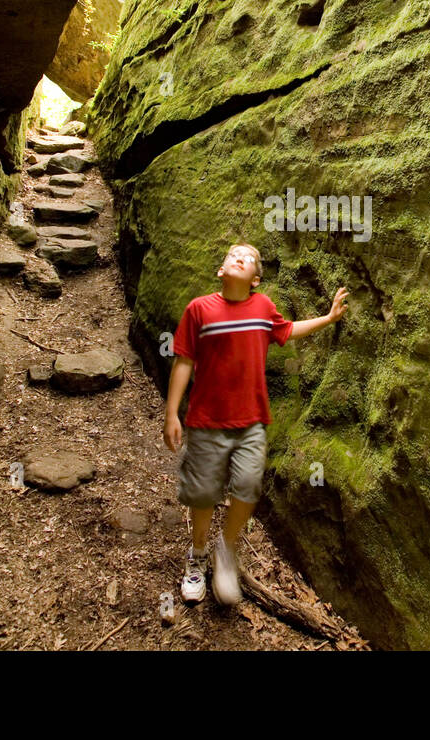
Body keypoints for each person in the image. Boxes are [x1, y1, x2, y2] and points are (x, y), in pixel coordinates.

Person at [162, 243, 349, 605]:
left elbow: (287, 330)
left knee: (247, 486)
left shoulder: (263, 308)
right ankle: (198, 553)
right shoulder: (198, 310)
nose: (239, 258)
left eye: (247, 258)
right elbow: (184, 360)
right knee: (202, 493)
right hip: (206, 421)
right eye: (233, 255)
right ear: (221, 270)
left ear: (256, 279)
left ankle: (227, 550)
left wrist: (327, 319)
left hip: (251, 422)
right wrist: (172, 413)